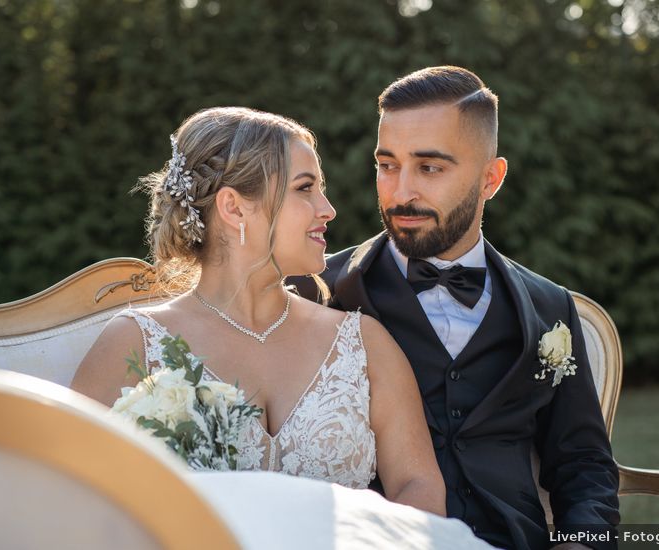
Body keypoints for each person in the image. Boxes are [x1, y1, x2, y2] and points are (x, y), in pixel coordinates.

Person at [290, 67, 620, 549]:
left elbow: (583, 465)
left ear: (491, 178)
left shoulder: (550, 307)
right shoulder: (319, 292)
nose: (401, 192)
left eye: (430, 168)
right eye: (387, 165)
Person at [71, 107, 447, 517]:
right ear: (233, 208)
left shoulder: (363, 343)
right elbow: (67, 497)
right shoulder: (135, 344)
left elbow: (418, 485)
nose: (328, 209)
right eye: (305, 189)